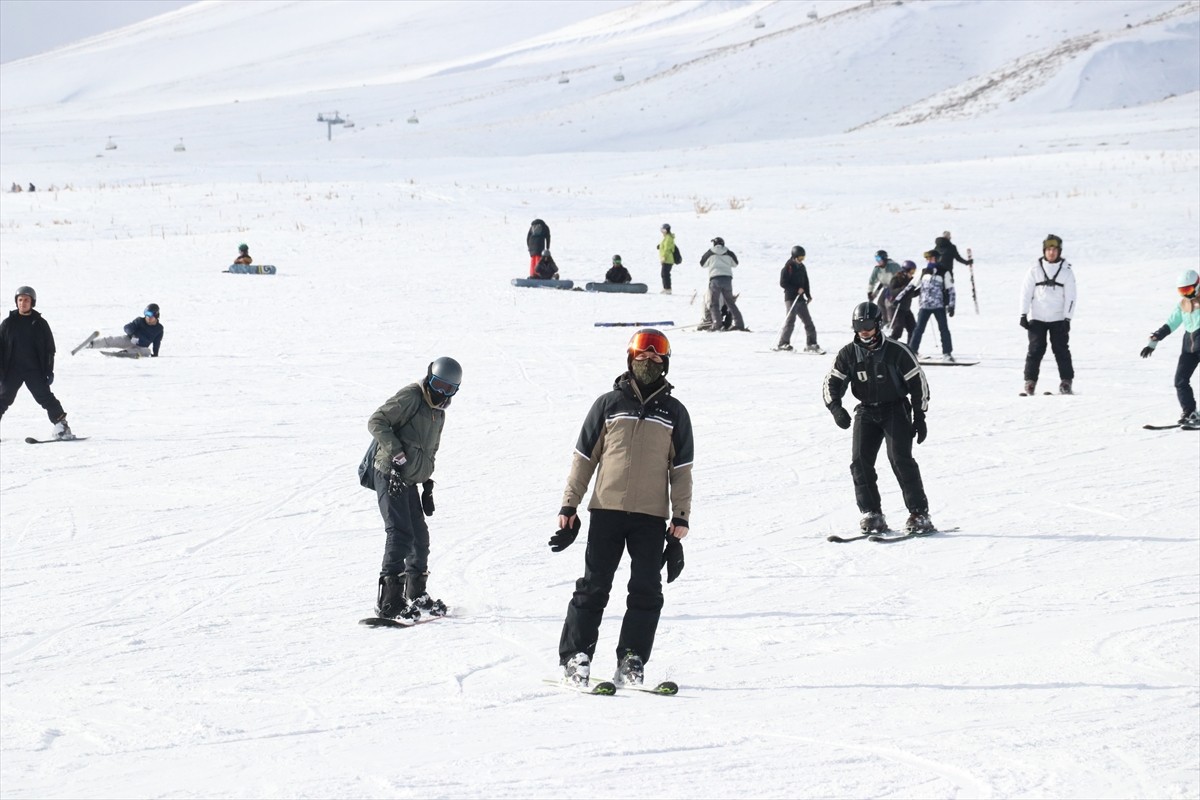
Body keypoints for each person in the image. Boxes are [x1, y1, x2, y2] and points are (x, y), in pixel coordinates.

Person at [552, 328, 693, 688]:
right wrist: (569, 505)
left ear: (665, 362)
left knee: (647, 590)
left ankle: (632, 659)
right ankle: (575, 658)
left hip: (651, 517)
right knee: (593, 587)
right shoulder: (608, 405)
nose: (648, 360)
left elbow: (681, 470)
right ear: (631, 359)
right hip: (607, 511)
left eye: (656, 356)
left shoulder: (675, 413)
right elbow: (584, 459)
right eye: (642, 355)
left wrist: (681, 517)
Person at [823, 302, 933, 535]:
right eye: (858, 326)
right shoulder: (848, 353)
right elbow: (831, 382)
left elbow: (918, 383)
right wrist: (836, 408)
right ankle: (872, 513)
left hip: (895, 409)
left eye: (868, 325)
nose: (863, 331)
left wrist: (919, 416)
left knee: (899, 458)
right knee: (860, 462)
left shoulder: (897, 351)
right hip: (866, 410)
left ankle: (919, 513)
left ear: (878, 324)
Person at [366, 357, 461, 621]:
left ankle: (416, 594)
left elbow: (426, 450)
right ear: (429, 379)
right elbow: (376, 421)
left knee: (419, 537)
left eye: (450, 389)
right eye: (438, 385)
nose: (442, 393)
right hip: (390, 473)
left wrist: (425, 481)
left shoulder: (438, 413)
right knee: (400, 534)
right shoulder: (411, 396)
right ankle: (389, 601)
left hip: (409, 480)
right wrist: (396, 452)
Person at [0, 286, 74, 439]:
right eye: (20, 300)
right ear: (16, 302)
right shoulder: (8, 324)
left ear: (32, 302)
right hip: (12, 370)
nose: (23, 303)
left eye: (26, 300)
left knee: (45, 397)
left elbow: (49, 349)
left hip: (34, 370)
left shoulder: (40, 323)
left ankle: (62, 427)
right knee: (3, 399)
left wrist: (49, 370)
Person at [1139, 269, 1200, 427]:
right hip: (1188, 347)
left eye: (1188, 290)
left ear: (1197, 285)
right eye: (1182, 291)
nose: (1186, 294)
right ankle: (1190, 412)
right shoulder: (1183, 305)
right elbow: (1171, 323)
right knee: (1180, 380)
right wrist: (1154, 340)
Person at [1019, 234, 1076, 395]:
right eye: (1049, 249)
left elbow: (1071, 297)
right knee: (1035, 350)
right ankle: (1030, 382)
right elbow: (1026, 293)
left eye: (1055, 250)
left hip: (1058, 319)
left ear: (1059, 252)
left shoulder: (1067, 272)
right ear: (1044, 251)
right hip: (1037, 318)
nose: (1051, 253)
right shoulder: (1034, 270)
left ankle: (1066, 382)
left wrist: (1067, 318)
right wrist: (1023, 314)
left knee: (1061, 351)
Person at [899, 254, 955, 361]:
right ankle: (913, 351)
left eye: (931, 258)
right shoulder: (923, 272)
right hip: (924, 306)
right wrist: (899, 298)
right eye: (928, 259)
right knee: (918, 329)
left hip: (939, 306)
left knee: (944, 329)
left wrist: (951, 305)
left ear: (937, 259)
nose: (929, 260)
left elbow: (951, 290)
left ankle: (947, 353)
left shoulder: (944, 272)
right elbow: (911, 286)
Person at [777, 245, 821, 352]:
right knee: (790, 320)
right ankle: (783, 343)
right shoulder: (788, 267)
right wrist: (796, 289)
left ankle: (811, 344)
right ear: (794, 257)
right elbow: (783, 283)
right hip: (790, 298)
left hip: (800, 299)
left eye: (803, 258)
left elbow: (805, 282)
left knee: (808, 322)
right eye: (800, 258)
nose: (801, 260)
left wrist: (808, 295)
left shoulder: (802, 267)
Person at [699, 237, 746, 332]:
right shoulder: (728, 252)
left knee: (714, 303)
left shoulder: (710, 252)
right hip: (727, 279)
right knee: (730, 302)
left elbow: (702, 263)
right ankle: (739, 324)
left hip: (715, 279)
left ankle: (717, 324)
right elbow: (735, 263)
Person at [81, 304, 164, 358]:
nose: (148, 317)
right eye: (146, 314)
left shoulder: (159, 329)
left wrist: (155, 354)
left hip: (141, 347)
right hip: (129, 340)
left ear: (156, 315)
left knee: (147, 352)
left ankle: (125, 353)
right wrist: (133, 334)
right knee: (112, 340)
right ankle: (92, 344)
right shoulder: (139, 321)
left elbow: (157, 342)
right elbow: (126, 327)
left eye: (150, 315)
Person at [888, 261, 919, 342]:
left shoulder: (911, 280)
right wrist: (903, 289)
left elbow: (911, 294)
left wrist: (920, 290)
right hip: (896, 308)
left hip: (906, 309)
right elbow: (892, 292)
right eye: (911, 271)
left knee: (913, 328)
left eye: (914, 271)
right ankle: (890, 344)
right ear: (906, 270)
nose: (912, 273)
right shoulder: (897, 278)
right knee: (898, 329)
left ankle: (910, 347)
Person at [657, 223, 679, 294]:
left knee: (665, 274)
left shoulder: (668, 238)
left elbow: (667, 249)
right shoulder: (666, 237)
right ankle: (665, 288)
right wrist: (660, 246)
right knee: (664, 274)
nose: (661, 231)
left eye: (663, 230)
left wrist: (664, 257)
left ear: (666, 230)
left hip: (667, 259)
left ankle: (668, 289)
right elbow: (665, 245)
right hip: (666, 259)